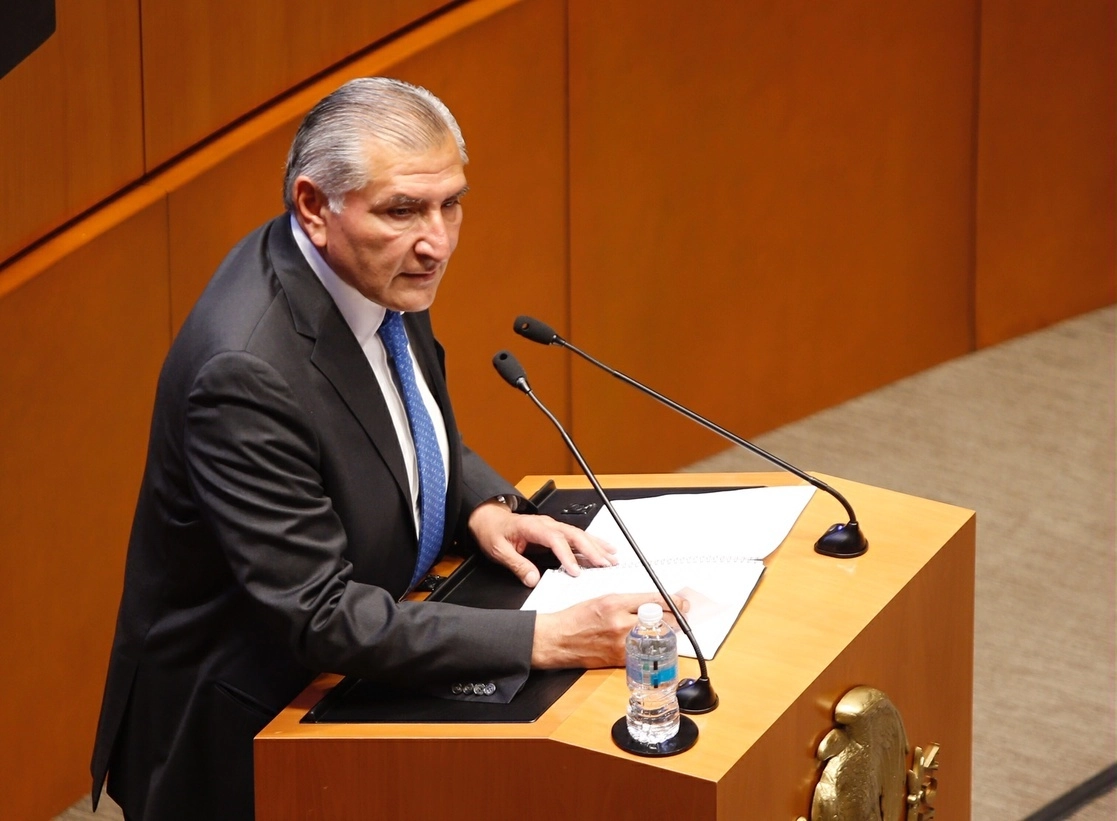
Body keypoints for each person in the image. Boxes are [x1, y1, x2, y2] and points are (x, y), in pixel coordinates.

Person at [90, 77, 682, 820]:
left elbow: (399, 414)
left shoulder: (368, 270)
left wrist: (484, 504)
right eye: (402, 209)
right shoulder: (243, 370)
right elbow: (320, 614)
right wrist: (549, 635)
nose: (436, 241)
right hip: (247, 727)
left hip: (355, 662)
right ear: (314, 206)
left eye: (450, 203)